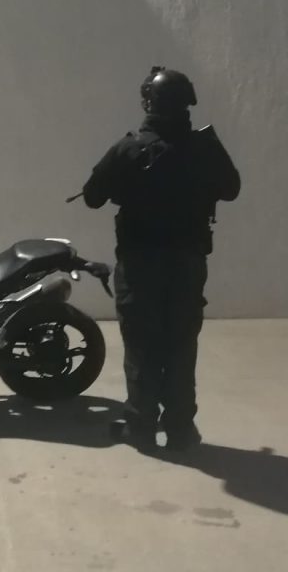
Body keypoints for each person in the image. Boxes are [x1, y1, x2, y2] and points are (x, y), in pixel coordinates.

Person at [82, 67, 240, 452]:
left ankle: (141, 427)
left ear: (149, 102)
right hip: (187, 263)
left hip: (140, 265)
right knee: (181, 345)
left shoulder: (129, 148)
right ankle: (182, 430)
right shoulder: (205, 147)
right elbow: (232, 189)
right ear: (186, 103)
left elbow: (92, 196)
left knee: (142, 346)